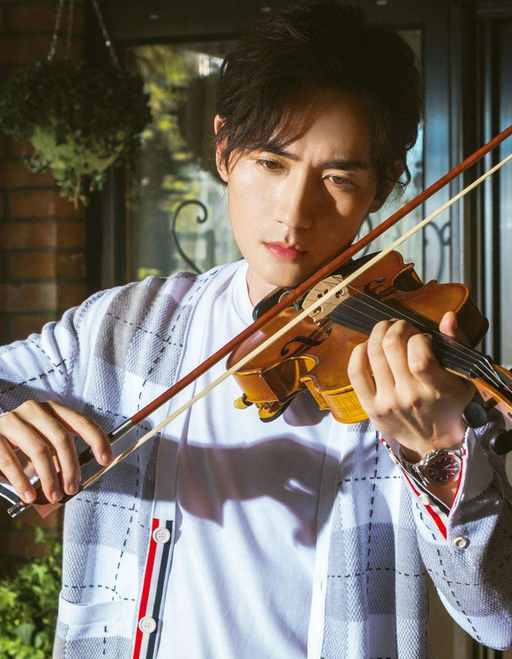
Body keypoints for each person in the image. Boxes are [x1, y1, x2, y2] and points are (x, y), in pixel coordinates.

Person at [0, 3, 510, 658]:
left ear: (383, 187)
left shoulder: (424, 376)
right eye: (272, 163)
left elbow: (498, 617)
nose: (294, 213)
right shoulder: (118, 325)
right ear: (224, 149)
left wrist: (436, 447)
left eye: (338, 177)